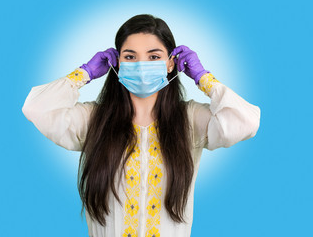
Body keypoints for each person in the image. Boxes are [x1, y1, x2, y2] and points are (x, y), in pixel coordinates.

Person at [22, 14, 260, 237]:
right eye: (130, 56)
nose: (141, 64)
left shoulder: (189, 119)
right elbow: (36, 109)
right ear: (117, 62)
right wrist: (84, 73)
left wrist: (203, 78)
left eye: (154, 56)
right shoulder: (93, 119)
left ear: (170, 64)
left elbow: (246, 122)